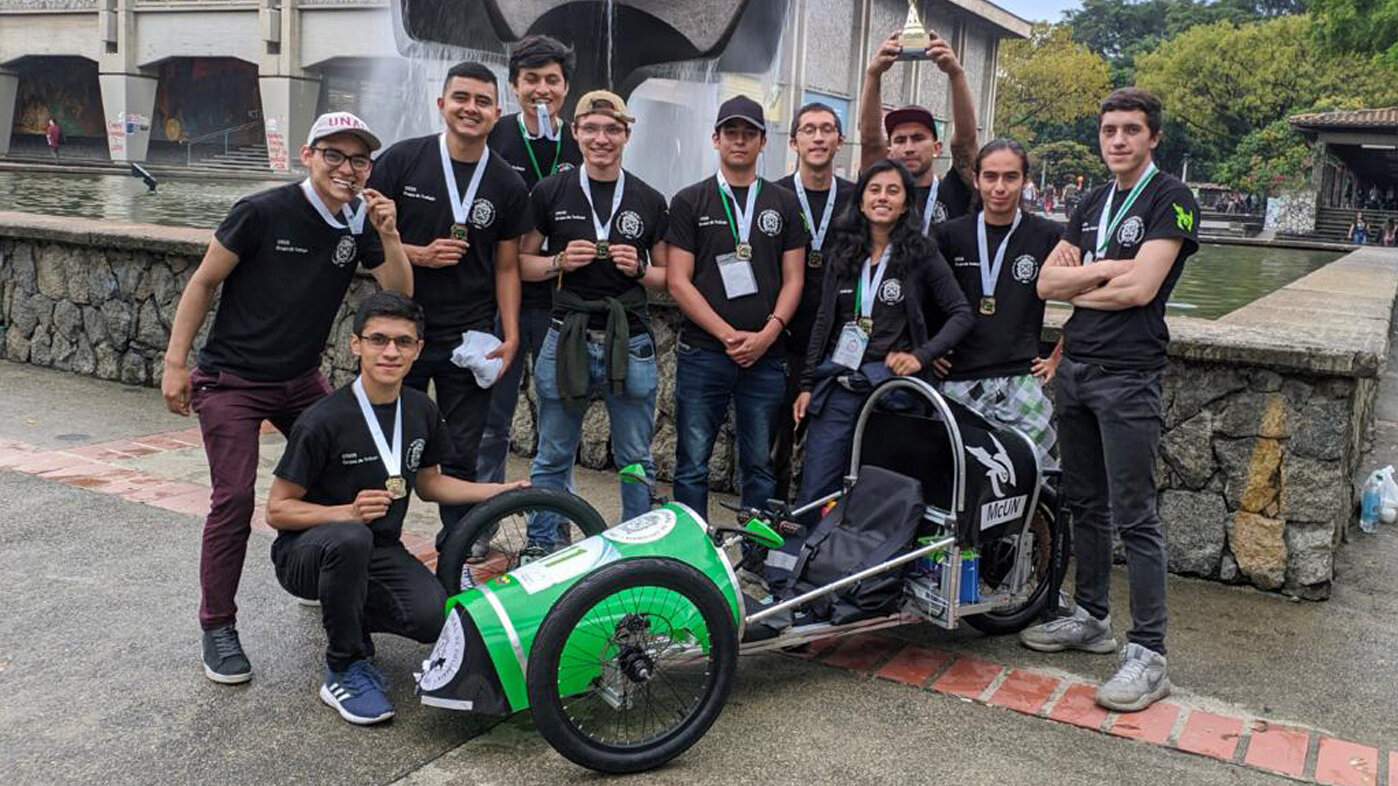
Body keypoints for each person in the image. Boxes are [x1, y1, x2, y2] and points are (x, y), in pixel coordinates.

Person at [160, 111, 412, 685]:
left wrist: (391, 235)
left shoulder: (359, 223)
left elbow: (398, 294)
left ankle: (325, 570)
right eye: (334, 155)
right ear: (308, 155)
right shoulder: (261, 211)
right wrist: (177, 365)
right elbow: (203, 282)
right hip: (232, 380)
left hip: (300, 379)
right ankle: (217, 624)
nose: (347, 169)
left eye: (359, 159)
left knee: (350, 476)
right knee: (234, 499)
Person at [266, 291, 527, 726]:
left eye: (403, 342)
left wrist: (497, 492)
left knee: (431, 619)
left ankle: (343, 607)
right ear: (356, 345)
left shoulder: (420, 409)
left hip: (379, 551)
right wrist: (345, 513)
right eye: (378, 339)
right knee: (351, 538)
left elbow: (428, 484)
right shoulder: (322, 420)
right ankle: (345, 667)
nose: (391, 351)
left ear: (418, 350)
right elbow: (277, 510)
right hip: (308, 551)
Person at [1024, 87, 1200, 713]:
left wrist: (1087, 278)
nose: (1118, 140)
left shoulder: (1171, 198)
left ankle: (1149, 654)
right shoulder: (1090, 201)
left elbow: (1142, 289)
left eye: (1131, 129)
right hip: (1077, 373)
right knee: (1083, 503)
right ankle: (1091, 617)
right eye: (1108, 130)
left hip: (1129, 376)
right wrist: (1107, 272)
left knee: (1136, 514)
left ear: (1153, 137)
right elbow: (1045, 283)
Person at [770, 158, 972, 593]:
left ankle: (868, 584)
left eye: (893, 191)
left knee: (880, 495)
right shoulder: (845, 252)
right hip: (840, 387)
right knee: (815, 488)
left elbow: (960, 313)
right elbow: (824, 322)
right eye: (874, 189)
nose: (883, 197)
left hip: (893, 398)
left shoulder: (921, 252)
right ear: (860, 200)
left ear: (905, 204)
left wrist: (920, 356)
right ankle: (788, 583)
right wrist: (807, 383)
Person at [367, 62, 532, 545]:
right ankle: (378, 547)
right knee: (388, 443)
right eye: (461, 98)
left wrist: (512, 332)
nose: (471, 109)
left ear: (497, 113)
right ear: (441, 104)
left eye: (482, 101)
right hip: (401, 333)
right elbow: (369, 244)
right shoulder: (402, 161)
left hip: (469, 334)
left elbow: (507, 266)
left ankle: (456, 553)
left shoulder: (506, 183)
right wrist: (420, 254)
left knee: (461, 451)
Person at [517, 91, 670, 557]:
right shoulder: (550, 192)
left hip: (632, 339)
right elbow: (522, 263)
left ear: (627, 134)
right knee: (553, 453)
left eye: (612, 129)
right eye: (591, 128)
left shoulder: (648, 198)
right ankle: (543, 546)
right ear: (576, 132)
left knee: (635, 457)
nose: (601, 138)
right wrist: (558, 260)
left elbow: (667, 278)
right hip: (567, 333)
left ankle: (636, 549)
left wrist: (641, 271)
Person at [666, 95, 808, 522]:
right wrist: (727, 335)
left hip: (765, 356)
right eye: (732, 133)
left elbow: (795, 278)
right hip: (704, 351)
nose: (740, 142)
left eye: (749, 134)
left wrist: (768, 334)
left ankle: (755, 556)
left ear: (764, 142)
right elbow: (677, 280)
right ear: (716, 139)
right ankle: (690, 555)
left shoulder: (783, 203)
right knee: (691, 461)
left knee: (759, 464)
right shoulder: (691, 200)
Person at [479, 35, 585, 487]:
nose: (542, 89)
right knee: (490, 415)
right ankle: (481, 515)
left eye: (552, 80)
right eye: (531, 80)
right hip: (496, 295)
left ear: (565, 86)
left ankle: (555, 512)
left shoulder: (583, 141)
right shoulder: (492, 135)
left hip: (559, 299)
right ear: (514, 85)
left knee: (558, 414)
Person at [931, 139, 1063, 468]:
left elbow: (1089, 297)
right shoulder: (948, 235)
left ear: (1025, 180)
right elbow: (921, 300)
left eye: (1010, 177)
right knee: (959, 480)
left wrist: (1057, 358)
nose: (1000, 187)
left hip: (1021, 379)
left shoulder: (1049, 235)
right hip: (958, 380)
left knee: (1036, 478)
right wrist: (928, 350)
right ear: (976, 180)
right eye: (990, 177)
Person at [770, 102, 857, 502]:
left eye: (827, 130)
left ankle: (820, 532)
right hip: (783, 337)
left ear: (840, 140)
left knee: (833, 447)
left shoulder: (858, 201)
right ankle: (769, 529)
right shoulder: (774, 196)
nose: (818, 137)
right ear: (793, 142)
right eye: (809, 130)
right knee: (775, 443)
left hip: (839, 344)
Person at [858, 29, 978, 234]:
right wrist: (873, 74)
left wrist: (956, 74)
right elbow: (870, 141)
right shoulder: (882, 195)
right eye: (900, 140)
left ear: (937, 147)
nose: (909, 148)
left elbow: (965, 143)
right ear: (889, 149)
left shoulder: (953, 190)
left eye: (918, 138)